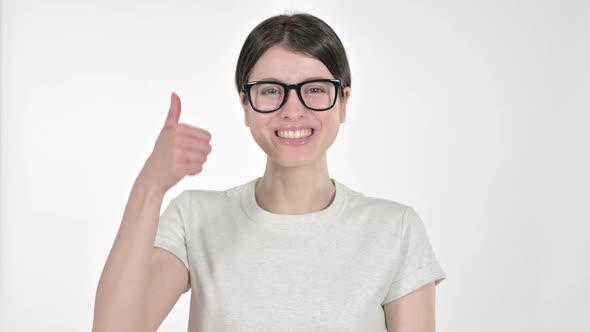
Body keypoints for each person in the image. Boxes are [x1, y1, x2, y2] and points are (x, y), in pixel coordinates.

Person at [92, 12, 446, 332]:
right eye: (271, 91)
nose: (293, 111)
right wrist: (150, 185)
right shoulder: (193, 219)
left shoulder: (394, 230)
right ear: (246, 104)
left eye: (315, 90)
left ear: (343, 102)